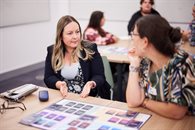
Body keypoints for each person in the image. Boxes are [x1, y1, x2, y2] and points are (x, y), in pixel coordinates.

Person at [126, 15, 195, 119]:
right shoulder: (145, 62)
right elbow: (132, 101)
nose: (132, 39)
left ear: (145, 42)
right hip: (157, 120)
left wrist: (145, 101)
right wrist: (134, 64)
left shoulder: (180, 63)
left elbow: (176, 111)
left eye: (133, 34)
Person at [44, 15, 111, 99]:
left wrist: (91, 83)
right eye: (70, 33)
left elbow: (99, 76)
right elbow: (48, 77)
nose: (75, 37)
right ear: (61, 36)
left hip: (88, 97)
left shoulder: (90, 49)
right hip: (64, 97)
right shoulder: (52, 51)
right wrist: (59, 84)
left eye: (77, 32)